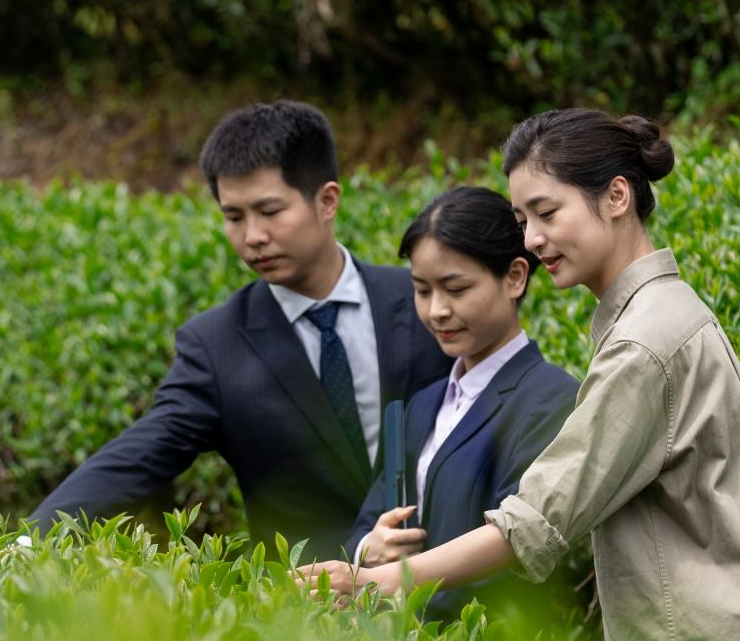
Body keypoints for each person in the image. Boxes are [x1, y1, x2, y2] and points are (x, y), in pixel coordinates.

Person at [301, 108, 740, 641]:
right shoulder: (666, 316)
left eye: (546, 212)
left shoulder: (645, 343)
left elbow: (539, 521)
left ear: (616, 196)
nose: (531, 240)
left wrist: (387, 581)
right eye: (521, 221)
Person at [29, 101, 451, 559]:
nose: (252, 236)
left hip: (449, 594)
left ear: (327, 201)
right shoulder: (216, 347)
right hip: (307, 611)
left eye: (269, 211)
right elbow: (140, 455)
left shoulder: (421, 304)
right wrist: (27, 544)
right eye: (234, 217)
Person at [343, 186, 578, 618]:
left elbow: (521, 548)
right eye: (422, 290)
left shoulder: (550, 399)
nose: (437, 311)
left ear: (515, 277)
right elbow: (371, 516)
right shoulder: (423, 403)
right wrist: (368, 548)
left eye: (455, 288)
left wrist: (397, 582)